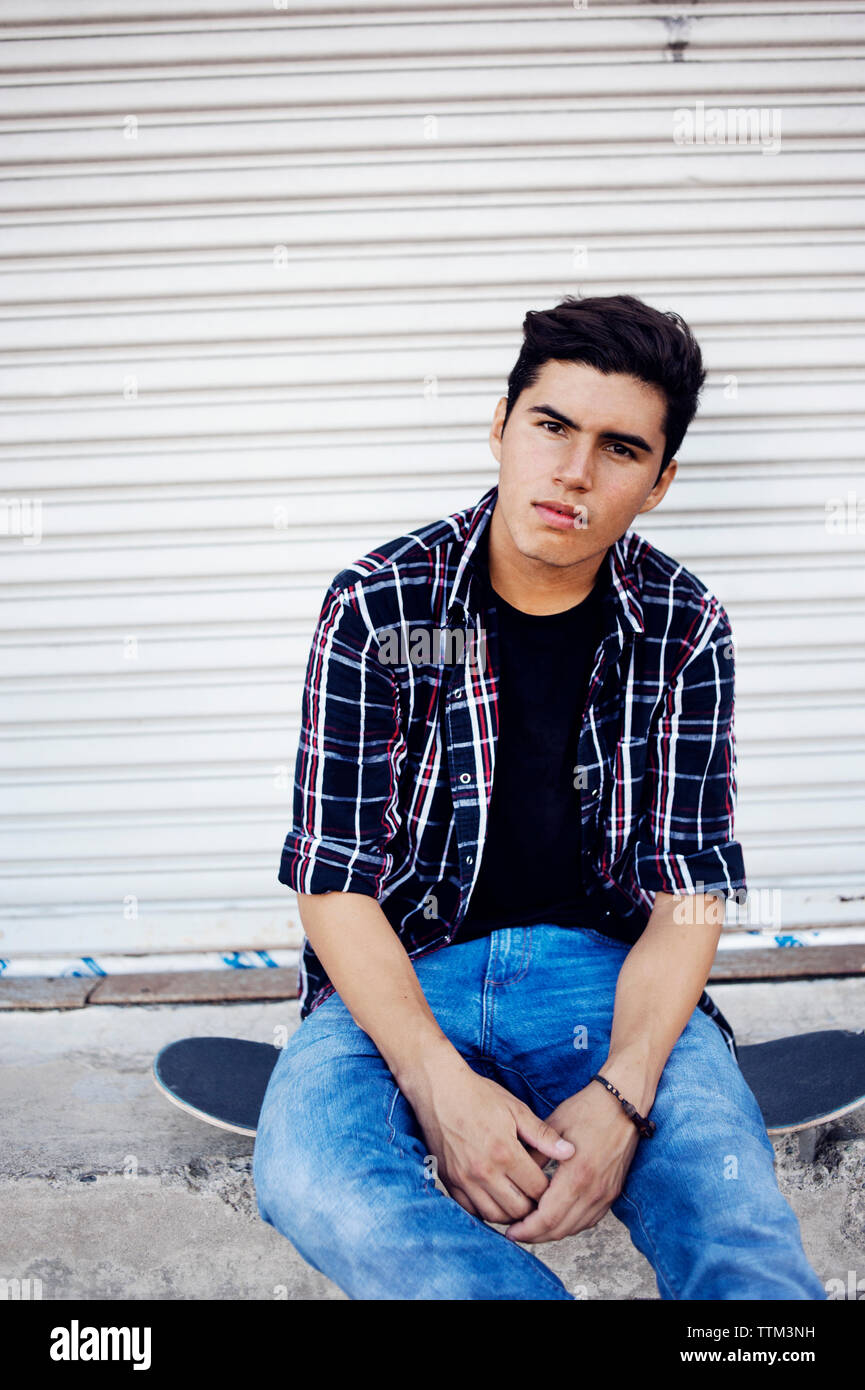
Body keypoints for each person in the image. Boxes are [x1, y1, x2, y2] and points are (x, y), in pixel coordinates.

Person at [253, 294, 825, 1300]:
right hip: (403, 977)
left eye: (618, 448)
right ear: (500, 427)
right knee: (314, 1178)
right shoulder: (381, 605)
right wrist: (439, 1086)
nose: (572, 472)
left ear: (658, 482)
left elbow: (690, 890)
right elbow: (334, 883)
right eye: (551, 427)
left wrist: (622, 1094)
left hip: (607, 983)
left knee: (733, 1218)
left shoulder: (684, 628)